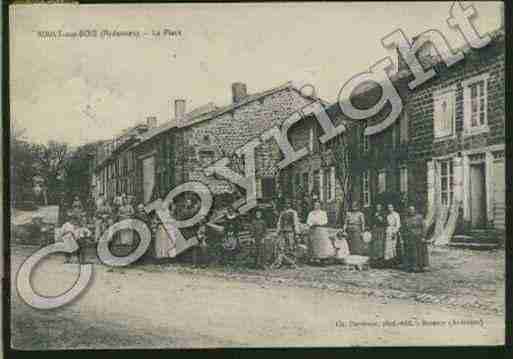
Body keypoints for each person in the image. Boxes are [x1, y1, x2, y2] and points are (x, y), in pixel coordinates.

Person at [402, 205, 430, 272]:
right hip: (410, 238)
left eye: (412, 210)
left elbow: (424, 227)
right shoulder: (406, 219)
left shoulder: (419, 217)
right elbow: (404, 229)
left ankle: (422, 266)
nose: (411, 211)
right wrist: (404, 237)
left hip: (419, 237)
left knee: (421, 252)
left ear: (415, 210)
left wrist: (423, 236)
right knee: (412, 253)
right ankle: (413, 266)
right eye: (410, 210)